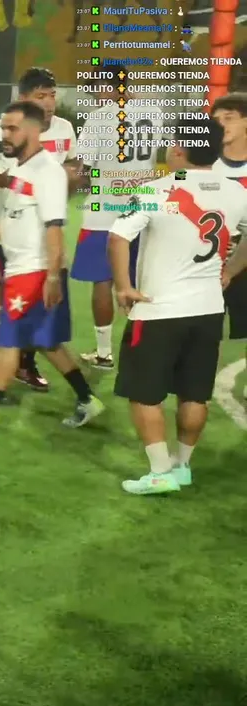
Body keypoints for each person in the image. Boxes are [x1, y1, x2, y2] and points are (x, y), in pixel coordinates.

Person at [109, 117, 247, 495]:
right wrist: (230, 271)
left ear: (180, 149)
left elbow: (118, 237)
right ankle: (183, 466)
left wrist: (124, 286)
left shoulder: (157, 189)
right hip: (208, 309)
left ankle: (159, 472)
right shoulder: (235, 190)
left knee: (143, 391)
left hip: (159, 309)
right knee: (194, 392)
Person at [0, 101, 105, 429]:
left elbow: (54, 226)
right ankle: (87, 399)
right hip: (24, 269)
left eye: (12, 128)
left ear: (33, 130)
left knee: (10, 339)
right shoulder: (21, 170)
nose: (5, 134)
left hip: (34, 271)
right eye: (3, 127)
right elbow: (12, 215)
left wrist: (52, 276)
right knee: (45, 341)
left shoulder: (48, 172)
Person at [0, 67, 82, 396]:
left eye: (52, 95)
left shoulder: (64, 129)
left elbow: (73, 166)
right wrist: (11, 182)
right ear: (24, 98)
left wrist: (69, 178)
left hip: (47, 234)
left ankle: (24, 365)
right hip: (9, 234)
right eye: (41, 96)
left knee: (38, 305)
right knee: (4, 303)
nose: (49, 102)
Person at [68, 68, 156, 370]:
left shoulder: (98, 119)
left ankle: (104, 353)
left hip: (103, 214)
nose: (95, 93)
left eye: (98, 86)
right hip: (143, 210)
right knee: (142, 280)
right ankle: (143, 352)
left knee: (102, 280)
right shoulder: (153, 113)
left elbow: (82, 170)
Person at [211, 92, 247, 400]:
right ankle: (199, 379)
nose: (221, 124)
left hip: (241, 262)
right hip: (209, 260)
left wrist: (232, 269)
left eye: (229, 118)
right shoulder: (206, 165)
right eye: (217, 119)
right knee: (206, 325)